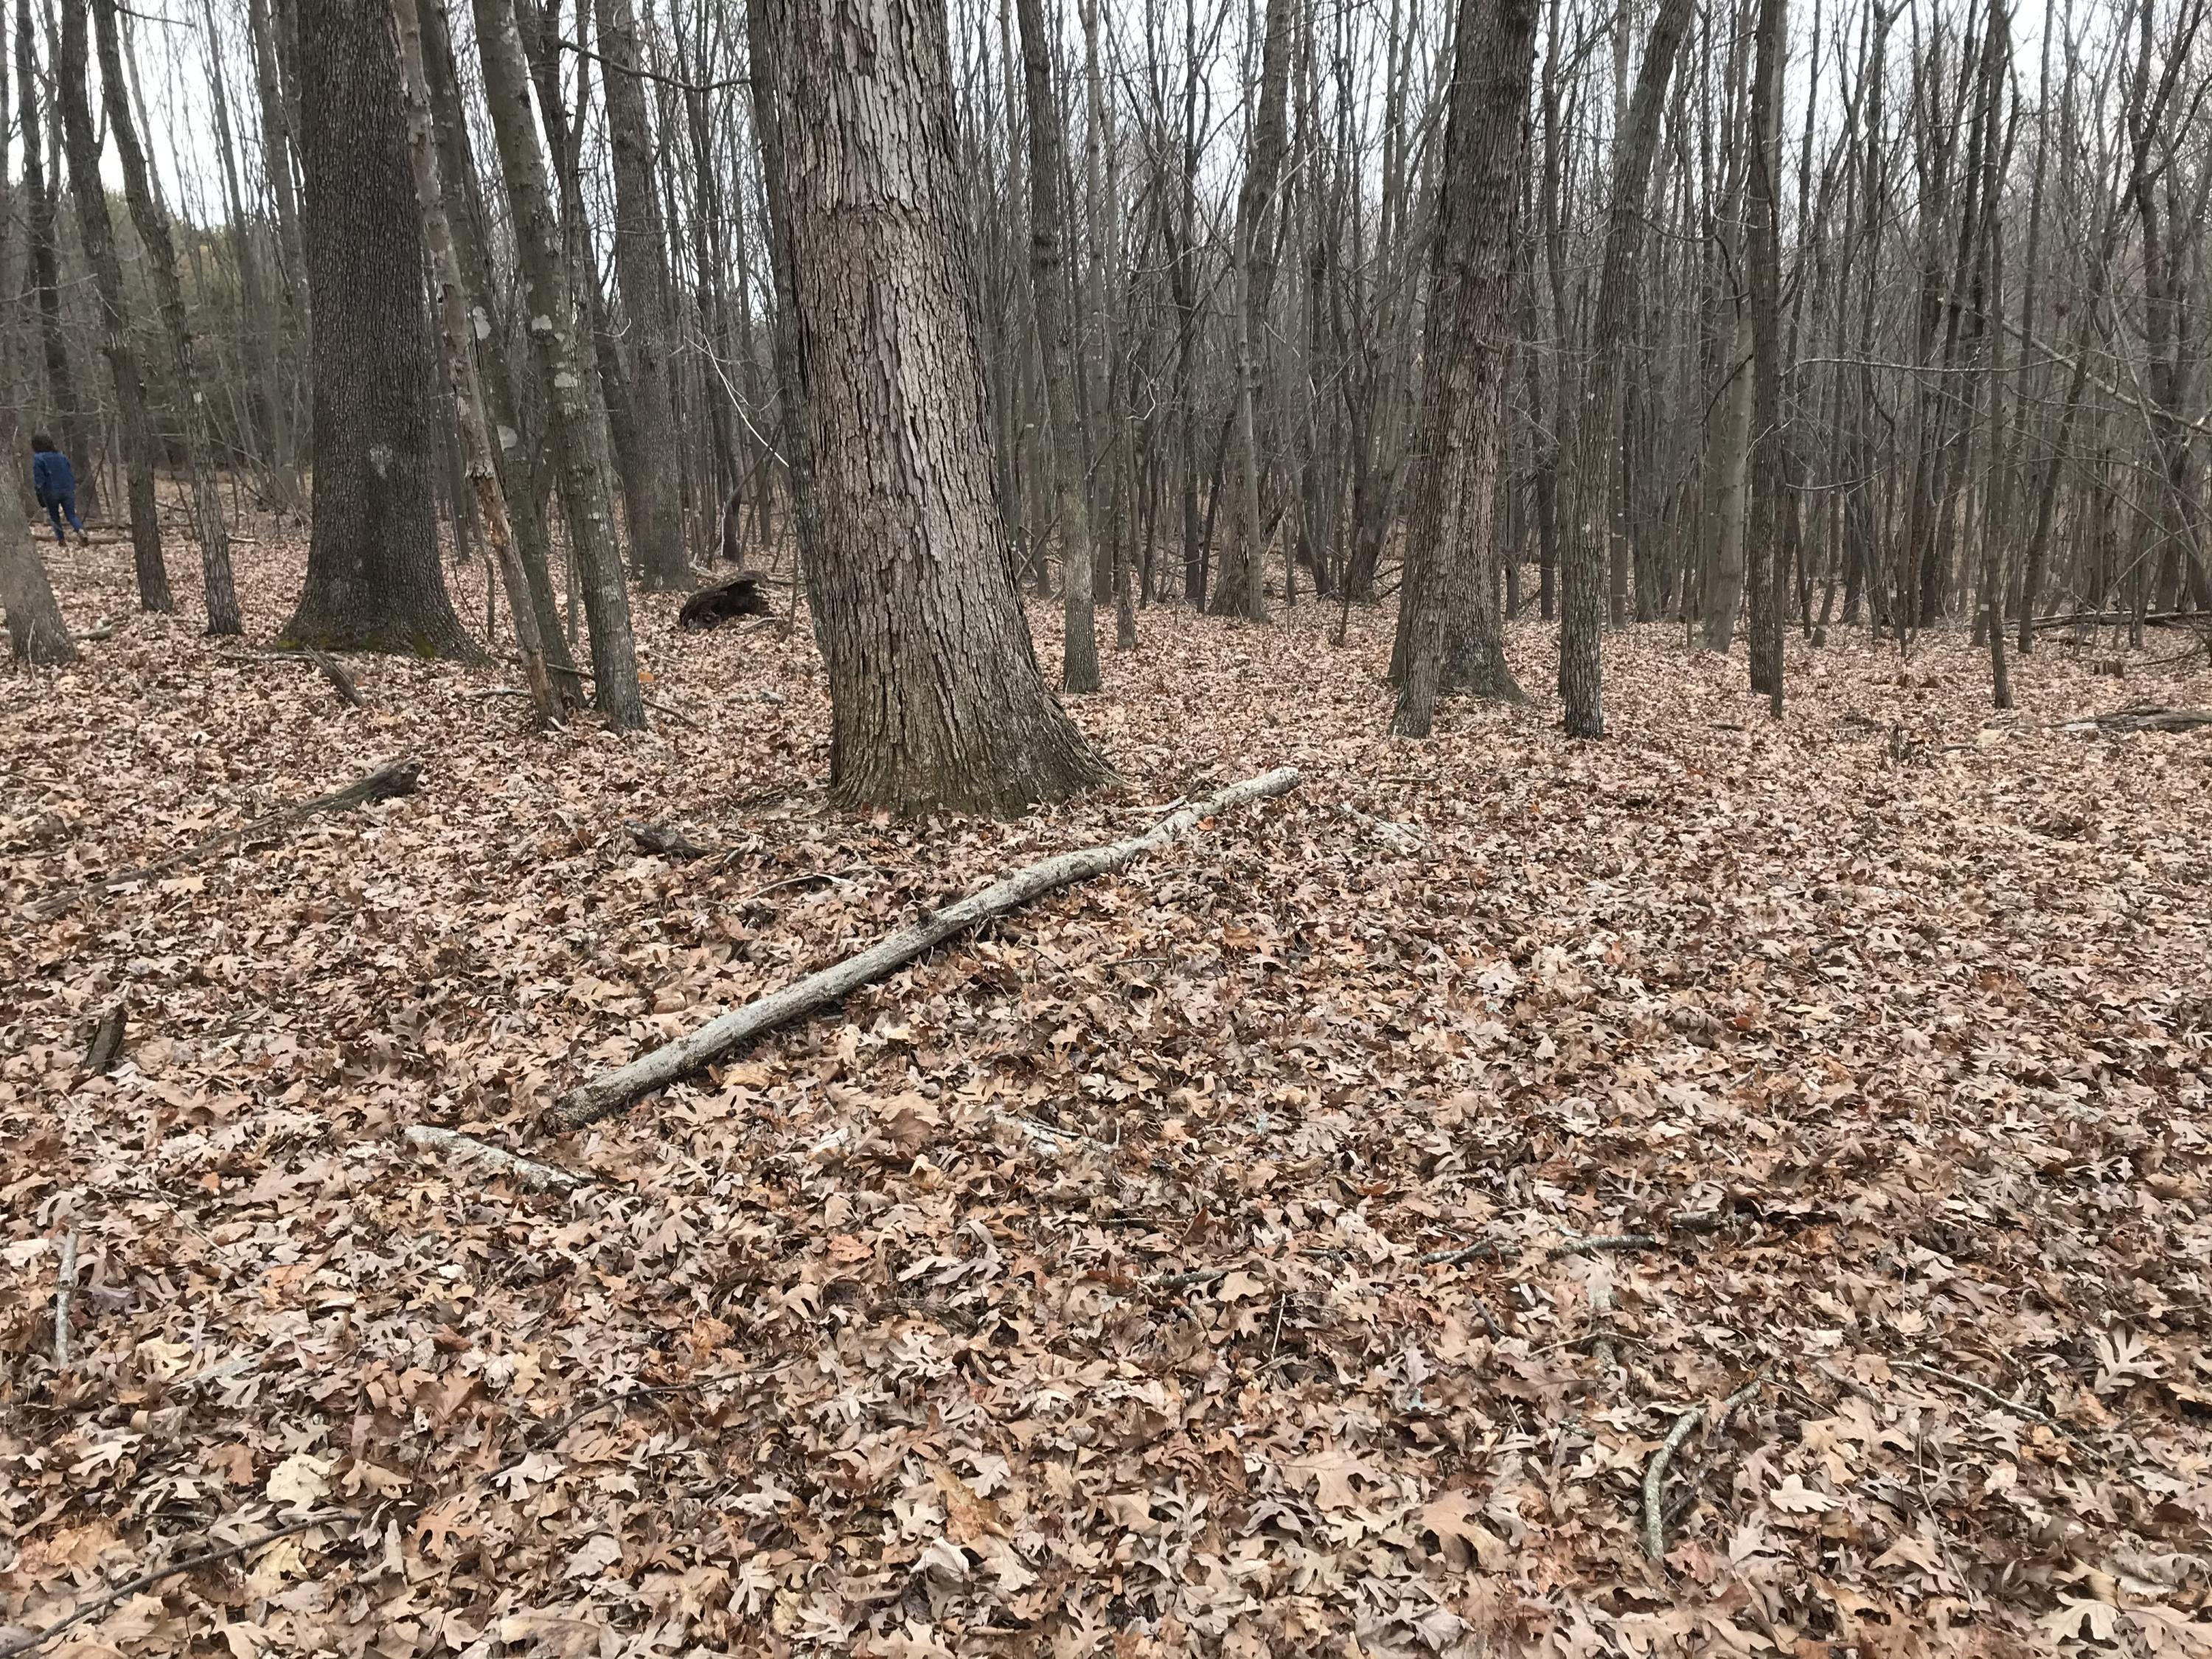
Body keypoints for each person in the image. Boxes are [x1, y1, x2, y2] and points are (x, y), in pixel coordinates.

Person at [31, 433, 86, 546]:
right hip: (67, 489)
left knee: (54, 517)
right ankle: (80, 530)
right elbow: (69, 473)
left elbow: (39, 480)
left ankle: (61, 540)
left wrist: (39, 494)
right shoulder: (62, 456)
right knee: (71, 515)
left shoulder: (39, 458)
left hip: (51, 491)